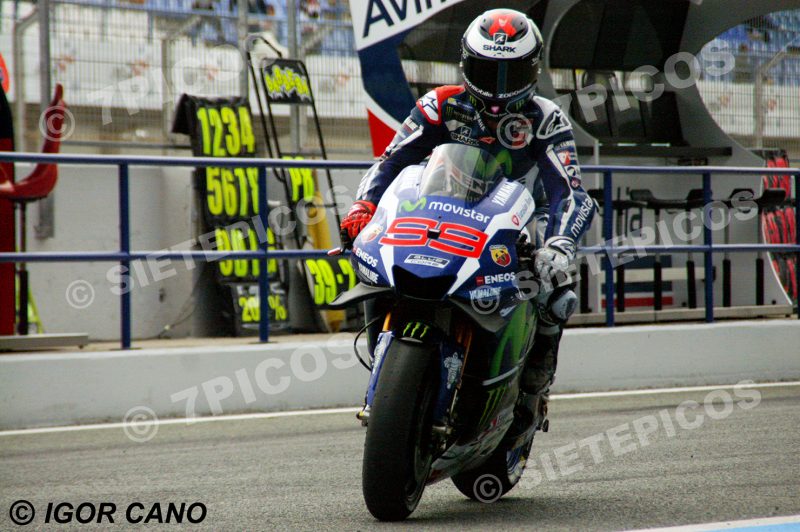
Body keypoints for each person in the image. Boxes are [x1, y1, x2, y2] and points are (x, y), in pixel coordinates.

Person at [340, 9, 596, 436]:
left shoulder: (545, 118)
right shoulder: (440, 103)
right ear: (465, 63)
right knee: (374, 260)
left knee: (555, 291)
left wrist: (559, 245)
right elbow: (389, 161)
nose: (497, 88)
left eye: (509, 73)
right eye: (486, 70)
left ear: (532, 69)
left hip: (514, 232)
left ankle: (535, 384)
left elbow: (571, 192)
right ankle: (384, 376)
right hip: (439, 216)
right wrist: (364, 207)